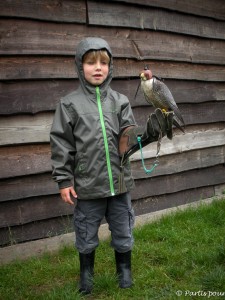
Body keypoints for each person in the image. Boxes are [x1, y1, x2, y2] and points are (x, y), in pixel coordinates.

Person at [50, 37, 173, 295]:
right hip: (87, 186)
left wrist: (147, 134)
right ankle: (87, 276)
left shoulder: (120, 101)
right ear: (79, 66)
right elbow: (61, 143)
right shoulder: (69, 104)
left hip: (120, 184)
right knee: (85, 233)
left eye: (103, 63)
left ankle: (124, 271)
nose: (98, 67)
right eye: (91, 62)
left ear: (110, 67)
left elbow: (127, 138)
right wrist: (64, 180)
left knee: (123, 229)